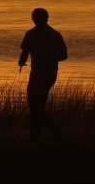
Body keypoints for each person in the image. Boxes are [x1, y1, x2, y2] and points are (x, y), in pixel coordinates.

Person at [18, 8, 68, 141]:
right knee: (34, 103)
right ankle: (47, 131)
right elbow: (25, 51)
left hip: (47, 73)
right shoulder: (31, 34)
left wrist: (50, 59)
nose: (36, 20)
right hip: (35, 73)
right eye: (35, 18)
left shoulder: (53, 35)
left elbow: (64, 55)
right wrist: (22, 61)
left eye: (37, 18)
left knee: (37, 104)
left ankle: (37, 135)